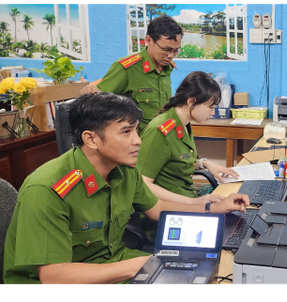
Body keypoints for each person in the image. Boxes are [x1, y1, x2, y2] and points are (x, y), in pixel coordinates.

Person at [3, 92, 249, 285]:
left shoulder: (123, 169)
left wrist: (213, 208)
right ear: (91, 139)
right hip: (67, 279)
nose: (138, 140)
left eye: (136, 130)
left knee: (216, 274)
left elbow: (158, 208)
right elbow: (53, 276)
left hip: (112, 264)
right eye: (126, 132)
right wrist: (144, 265)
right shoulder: (47, 189)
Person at [134, 71, 240, 240]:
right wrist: (194, 202)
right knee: (228, 234)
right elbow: (142, 184)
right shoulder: (160, 131)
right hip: (167, 217)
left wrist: (205, 164)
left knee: (235, 222)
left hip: (187, 203)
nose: (213, 112)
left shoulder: (183, 124)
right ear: (191, 101)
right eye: (210, 107)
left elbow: (176, 160)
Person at [80, 15, 183, 134]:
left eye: (175, 51)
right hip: (136, 144)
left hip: (161, 139)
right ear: (148, 41)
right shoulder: (127, 68)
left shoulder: (167, 68)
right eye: (166, 50)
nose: (171, 55)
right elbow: (99, 106)